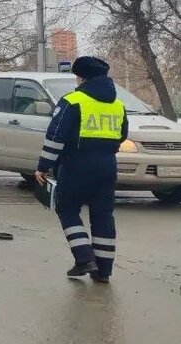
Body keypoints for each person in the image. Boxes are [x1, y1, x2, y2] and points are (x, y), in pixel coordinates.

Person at [35, 56, 127, 283]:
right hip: (107, 166)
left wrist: (43, 167)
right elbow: (122, 135)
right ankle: (103, 271)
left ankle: (84, 258)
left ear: (81, 78)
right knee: (103, 215)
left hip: (76, 165)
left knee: (67, 209)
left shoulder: (73, 101)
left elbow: (55, 138)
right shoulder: (118, 105)